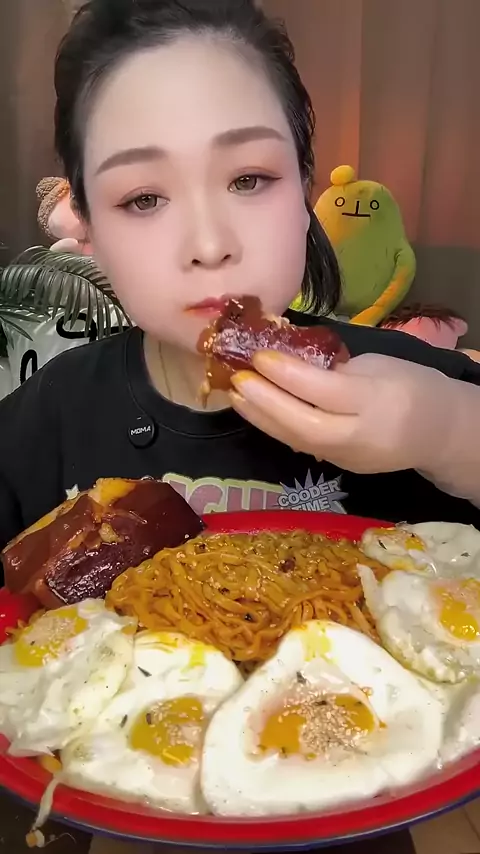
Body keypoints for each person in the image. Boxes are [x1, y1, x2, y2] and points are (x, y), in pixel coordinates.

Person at [1, 0, 480, 548]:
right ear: (90, 229)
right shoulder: (50, 416)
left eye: (248, 180)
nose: (210, 246)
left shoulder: (419, 388)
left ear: (305, 191)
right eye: (144, 198)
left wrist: (451, 435)